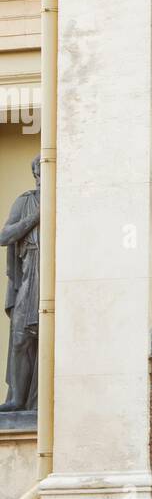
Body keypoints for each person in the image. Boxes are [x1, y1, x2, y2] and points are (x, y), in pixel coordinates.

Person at [0, 153, 40, 411]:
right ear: (36, 174)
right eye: (40, 172)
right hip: (30, 270)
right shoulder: (25, 201)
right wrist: (33, 219)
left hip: (57, 272)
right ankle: (17, 398)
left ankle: (40, 401)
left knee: (50, 337)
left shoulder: (68, 195)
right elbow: (5, 236)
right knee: (20, 338)